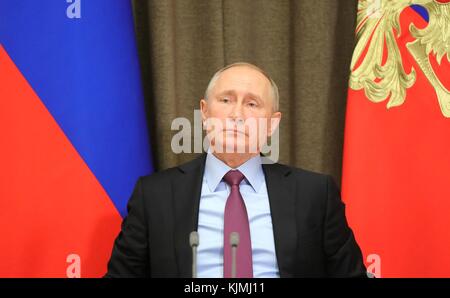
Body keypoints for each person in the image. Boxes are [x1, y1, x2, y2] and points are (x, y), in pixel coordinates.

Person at [105, 62, 366, 278]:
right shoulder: (154, 195)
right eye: (226, 100)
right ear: (205, 114)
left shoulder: (315, 194)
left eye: (252, 104)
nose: (237, 114)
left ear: (272, 124)